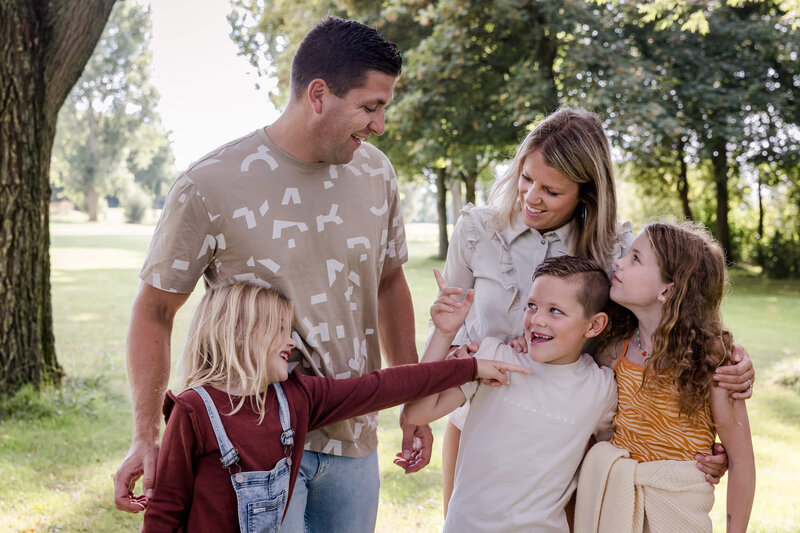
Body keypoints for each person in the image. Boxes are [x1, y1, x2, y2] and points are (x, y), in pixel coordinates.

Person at [114, 16, 429, 532]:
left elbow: (390, 283)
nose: (380, 125)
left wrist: (414, 397)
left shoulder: (376, 173)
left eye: (384, 108)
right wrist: (146, 434)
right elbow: (154, 310)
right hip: (254, 447)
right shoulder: (209, 184)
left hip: (355, 441)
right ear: (320, 94)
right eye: (370, 107)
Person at [437, 107, 755, 513]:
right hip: (478, 426)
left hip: (570, 441)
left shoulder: (617, 254)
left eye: (551, 191)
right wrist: (421, 408)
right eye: (527, 178)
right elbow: (447, 324)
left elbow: (677, 318)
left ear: (585, 192)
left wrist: (731, 373)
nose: (532, 197)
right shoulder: (476, 230)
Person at [141, 281, 527, 532]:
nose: (290, 341)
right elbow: (166, 508)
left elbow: (381, 387)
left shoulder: (295, 398)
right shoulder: (193, 411)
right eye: (279, 330)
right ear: (240, 334)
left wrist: (470, 366)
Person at [405, 257, 619, 532]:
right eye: (532, 306)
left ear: (594, 325)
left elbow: (621, 452)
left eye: (555, 311)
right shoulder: (492, 356)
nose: (537, 320)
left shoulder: (600, 388)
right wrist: (444, 334)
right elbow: (417, 412)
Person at [575, 221, 755, 532]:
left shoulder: (712, 366)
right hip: (616, 511)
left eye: (635, 258)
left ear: (667, 290)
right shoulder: (611, 353)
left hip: (679, 516)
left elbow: (742, 464)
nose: (618, 262)